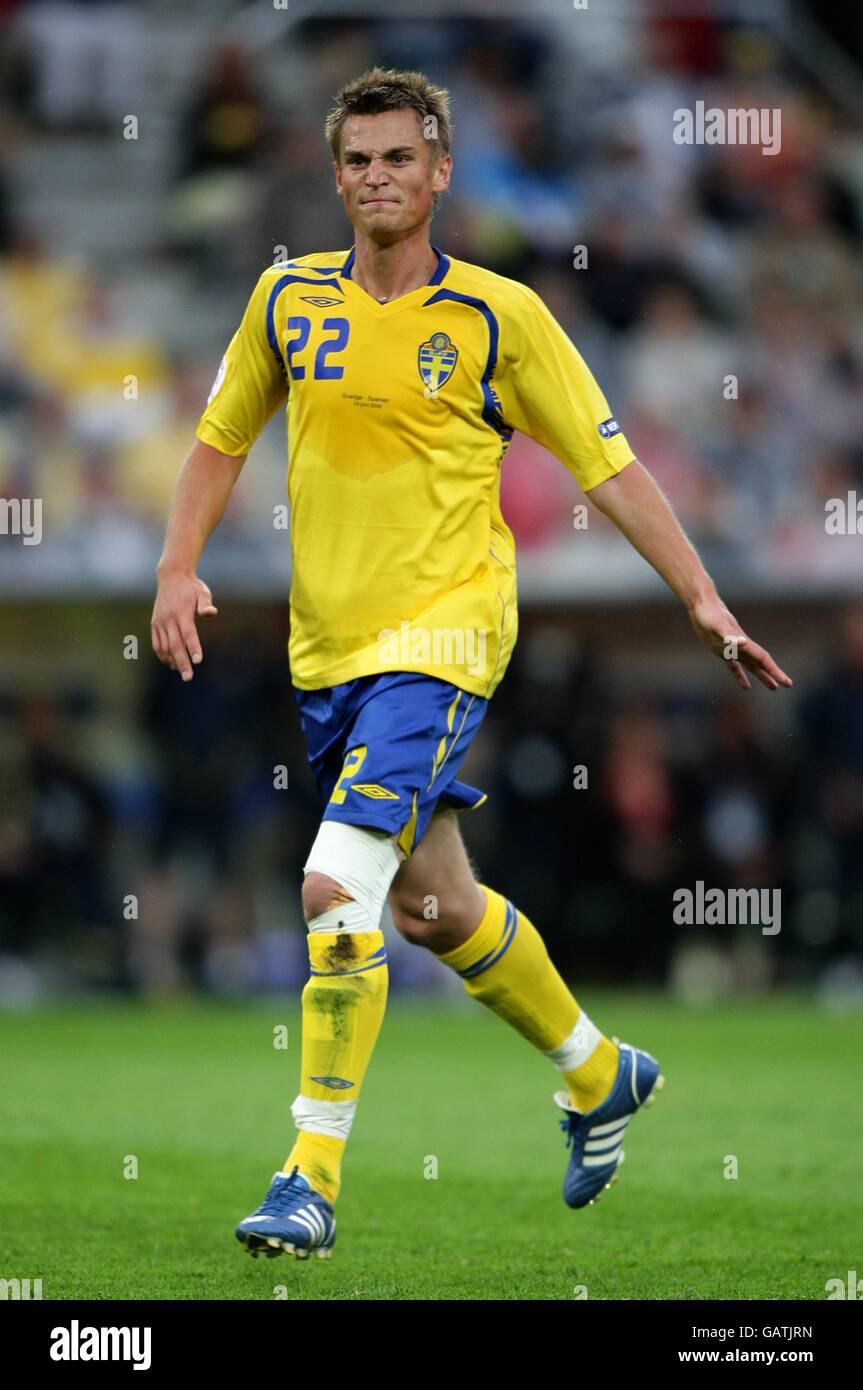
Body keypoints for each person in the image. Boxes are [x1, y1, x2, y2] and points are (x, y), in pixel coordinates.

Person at [151, 68, 793, 1261]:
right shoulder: (286, 299)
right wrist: (176, 566)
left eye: (401, 158)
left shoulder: (500, 316)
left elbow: (610, 468)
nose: (379, 178)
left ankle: (309, 1174)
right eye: (358, 161)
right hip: (327, 650)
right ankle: (598, 1071)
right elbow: (218, 433)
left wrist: (701, 596)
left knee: (332, 889)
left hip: (447, 638)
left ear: (441, 172)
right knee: (434, 908)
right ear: (334, 174)